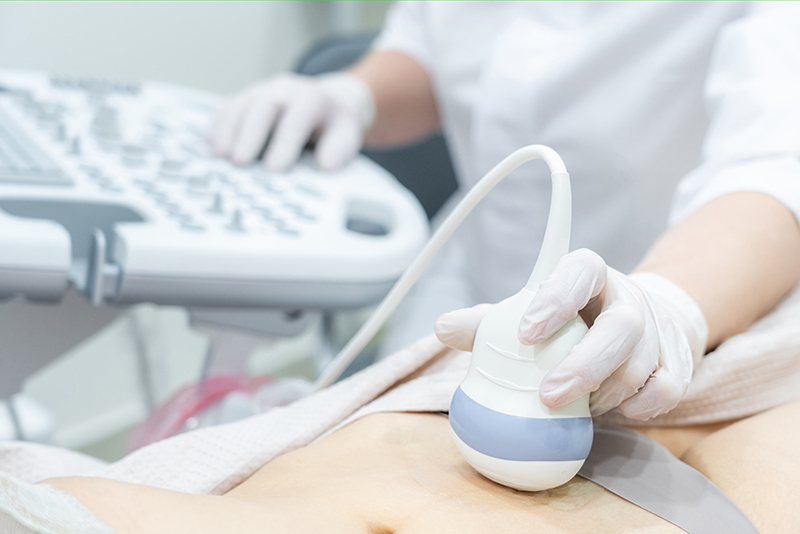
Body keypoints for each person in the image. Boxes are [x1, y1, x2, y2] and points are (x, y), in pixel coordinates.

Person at [208, 2, 800, 422]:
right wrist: (354, 95)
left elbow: (773, 165)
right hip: (470, 285)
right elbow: (435, 44)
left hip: (686, 299)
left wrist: (668, 309)